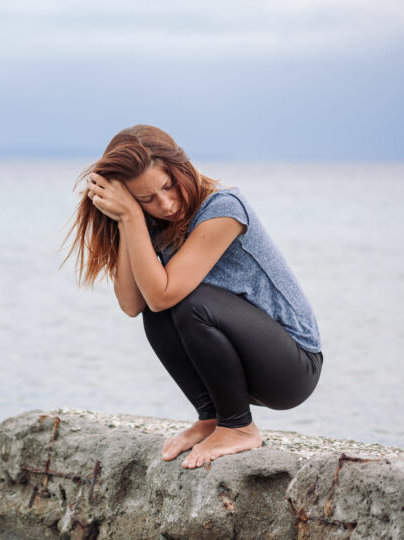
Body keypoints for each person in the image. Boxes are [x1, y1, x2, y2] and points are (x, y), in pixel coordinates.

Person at [63, 125, 323, 469]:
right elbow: (133, 304)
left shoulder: (224, 208)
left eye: (167, 187)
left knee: (182, 301)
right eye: (146, 199)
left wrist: (133, 213)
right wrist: (130, 218)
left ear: (180, 166)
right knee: (159, 308)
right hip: (244, 361)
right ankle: (212, 418)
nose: (166, 204)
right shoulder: (150, 220)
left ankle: (238, 427)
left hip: (293, 367)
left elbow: (164, 294)